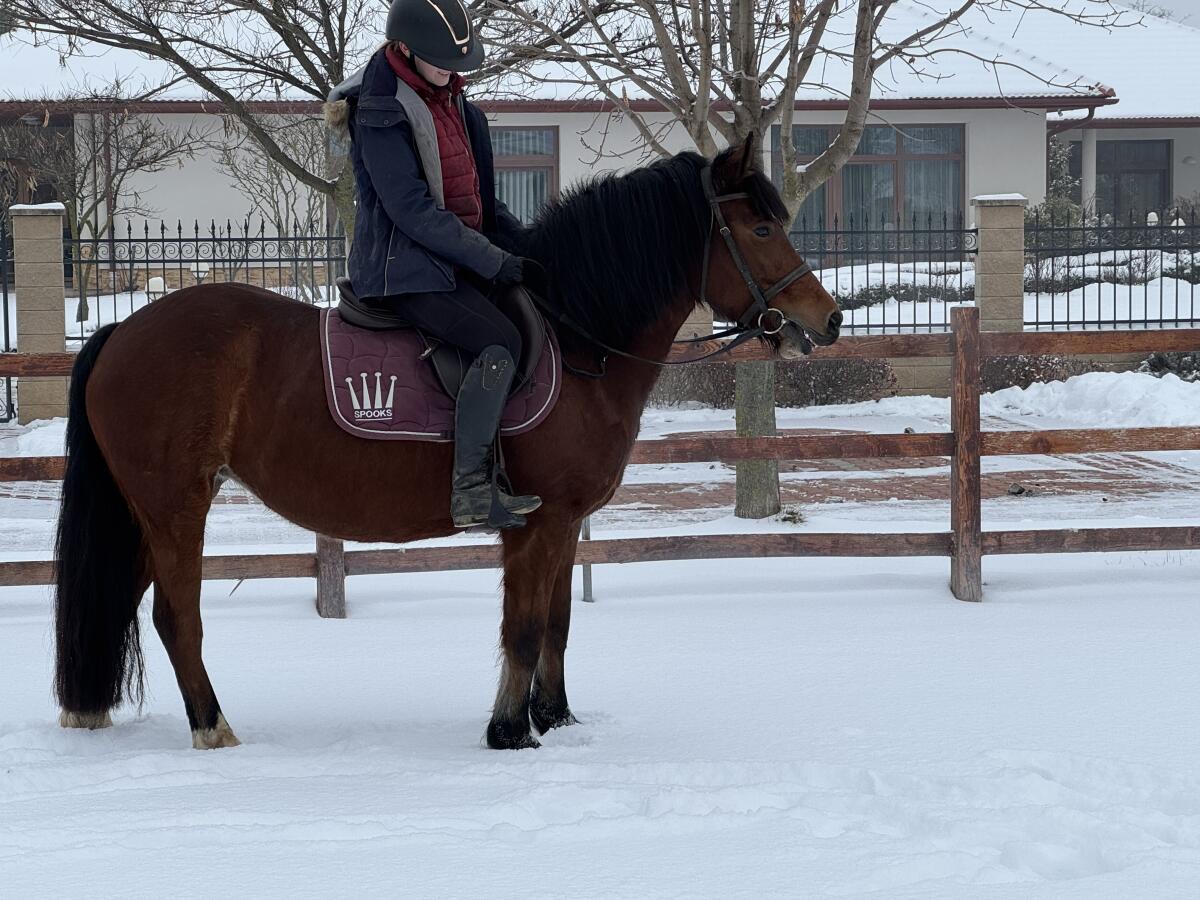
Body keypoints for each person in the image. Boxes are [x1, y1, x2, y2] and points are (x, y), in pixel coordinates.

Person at [327, 0, 541, 529]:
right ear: (404, 49)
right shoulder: (380, 110)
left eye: (457, 61)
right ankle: (471, 491)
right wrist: (491, 260)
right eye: (441, 59)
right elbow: (411, 211)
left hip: (453, 258)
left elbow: (480, 200)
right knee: (499, 342)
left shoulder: (457, 105)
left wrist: (529, 247)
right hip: (404, 268)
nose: (451, 69)